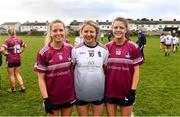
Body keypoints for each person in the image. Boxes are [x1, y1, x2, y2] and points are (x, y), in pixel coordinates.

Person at [34, 19, 76, 116]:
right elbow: (41, 78)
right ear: (50, 33)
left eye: (61, 30)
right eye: (55, 30)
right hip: (52, 97)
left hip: (68, 95)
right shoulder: (43, 52)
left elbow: (73, 69)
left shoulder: (70, 48)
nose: (58, 33)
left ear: (65, 31)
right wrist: (46, 99)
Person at [105, 17, 144, 116]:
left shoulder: (133, 47)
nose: (118, 30)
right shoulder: (106, 47)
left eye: (121, 28)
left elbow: (136, 71)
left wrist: (133, 91)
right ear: (112, 29)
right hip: (109, 91)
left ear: (126, 30)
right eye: (115, 27)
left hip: (126, 91)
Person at [72, 20, 108, 116]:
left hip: (98, 91)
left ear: (96, 33)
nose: (89, 34)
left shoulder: (104, 50)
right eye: (86, 31)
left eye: (92, 32)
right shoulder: (75, 50)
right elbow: (71, 68)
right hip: (80, 92)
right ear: (81, 33)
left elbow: (105, 69)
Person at [0, 27, 26, 93]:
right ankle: (22, 87)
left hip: (10, 60)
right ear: (15, 32)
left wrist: (5, 54)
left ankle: (13, 89)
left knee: (11, 75)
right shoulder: (19, 39)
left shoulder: (7, 40)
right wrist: (20, 51)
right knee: (17, 73)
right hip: (18, 59)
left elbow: (1, 49)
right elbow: (25, 46)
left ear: (8, 33)